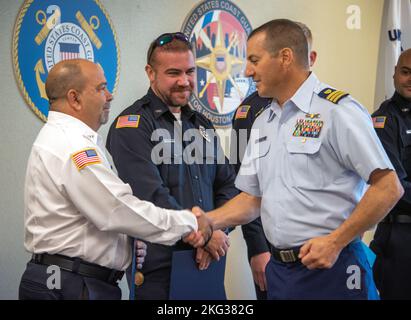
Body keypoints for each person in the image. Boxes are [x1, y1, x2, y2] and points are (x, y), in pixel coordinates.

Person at [188, 19, 404, 299]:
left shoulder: (337, 112)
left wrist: (336, 242)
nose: (247, 70)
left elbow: (388, 187)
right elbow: (254, 198)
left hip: (333, 269)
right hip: (280, 272)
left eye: (254, 59)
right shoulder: (264, 121)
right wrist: (209, 220)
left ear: (285, 57)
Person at [19, 59, 212, 300]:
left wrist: (126, 245)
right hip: (69, 282)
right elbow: (116, 210)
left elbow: (91, 218)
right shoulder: (72, 145)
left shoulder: (71, 139)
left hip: (71, 279)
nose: (109, 96)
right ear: (74, 98)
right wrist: (190, 223)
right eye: (101, 88)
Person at [106, 33, 237, 300]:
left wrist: (217, 229)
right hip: (160, 269)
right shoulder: (132, 125)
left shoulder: (201, 124)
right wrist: (202, 233)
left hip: (209, 261)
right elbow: (150, 195)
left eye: (190, 72)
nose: (184, 81)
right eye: (173, 73)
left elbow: (228, 183)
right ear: (150, 73)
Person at [230, 21, 317, 300]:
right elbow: (249, 190)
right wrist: (257, 248)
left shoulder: (331, 111)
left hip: (323, 254)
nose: (249, 70)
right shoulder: (250, 114)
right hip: (272, 249)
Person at [370, 48, 411, 300]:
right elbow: (394, 185)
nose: (410, 79)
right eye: (406, 72)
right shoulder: (384, 120)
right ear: (395, 74)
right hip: (400, 237)